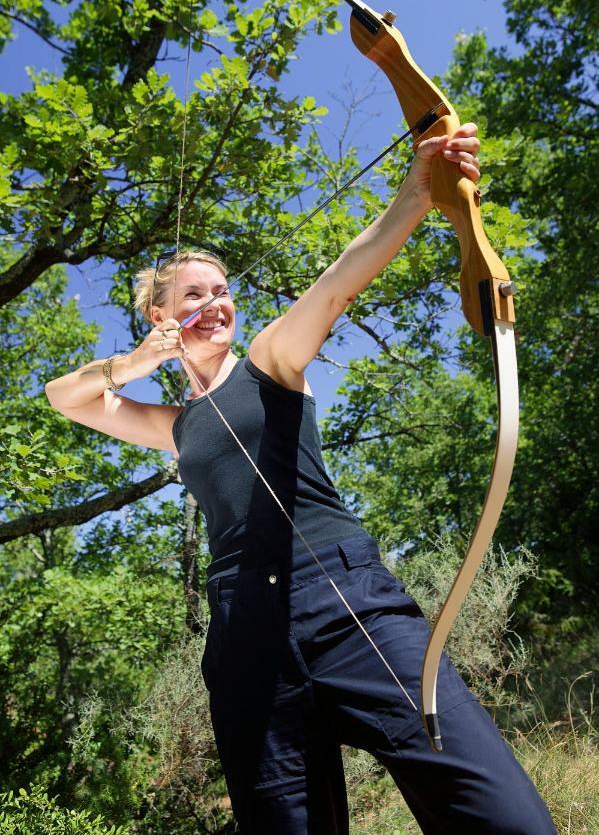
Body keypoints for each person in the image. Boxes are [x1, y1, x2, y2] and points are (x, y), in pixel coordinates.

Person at [45, 126, 556, 834]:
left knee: (504, 817)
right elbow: (62, 397)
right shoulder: (173, 423)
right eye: (195, 294)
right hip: (243, 633)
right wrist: (133, 364)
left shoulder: (269, 360)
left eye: (223, 290)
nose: (217, 302)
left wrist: (418, 192)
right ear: (161, 315)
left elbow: (337, 285)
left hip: (346, 604)